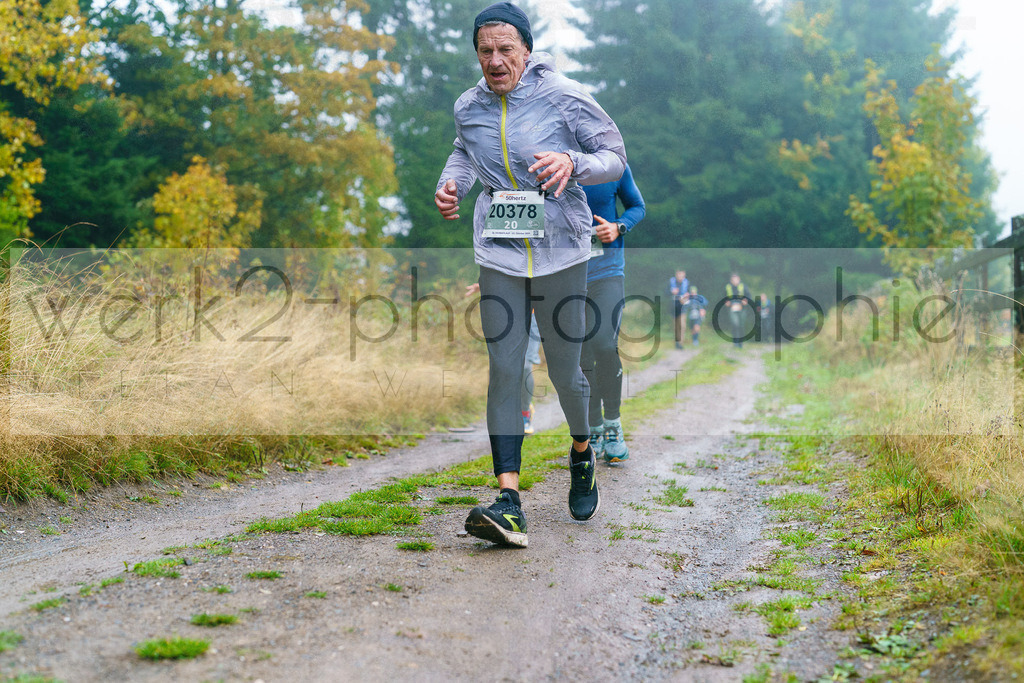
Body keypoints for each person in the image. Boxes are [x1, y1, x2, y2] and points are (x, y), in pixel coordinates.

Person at [434, 2, 626, 548]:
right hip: (498, 251)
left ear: (526, 51)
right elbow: (463, 154)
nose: (494, 61)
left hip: (563, 250)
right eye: (485, 51)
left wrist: (573, 163)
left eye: (505, 50)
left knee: (567, 372)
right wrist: (452, 185)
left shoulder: (563, 95)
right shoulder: (468, 105)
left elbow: (613, 154)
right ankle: (509, 500)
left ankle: (582, 451)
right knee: (504, 364)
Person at [580, 164, 645, 464]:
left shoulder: (614, 167)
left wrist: (618, 226)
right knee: (580, 355)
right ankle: (592, 428)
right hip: (566, 275)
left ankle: (613, 426)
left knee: (604, 344)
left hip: (607, 272)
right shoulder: (551, 167)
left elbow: (637, 207)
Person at [724, 273, 751, 348]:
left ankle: (741, 342)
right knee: (735, 324)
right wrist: (726, 302)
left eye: (736, 279)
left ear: (739, 279)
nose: (735, 281)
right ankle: (735, 342)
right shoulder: (728, 287)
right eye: (733, 280)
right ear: (731, 280)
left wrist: (746, 301)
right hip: (732, 308)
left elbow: (749, 296)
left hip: (741, 308)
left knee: (741, 325)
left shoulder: (743, 287)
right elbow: (724, 297)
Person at [668, 269, 690, 349]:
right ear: (676, 275)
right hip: (674, 307)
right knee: (676, 326)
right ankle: (677, 342)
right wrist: (671, 292)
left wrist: (687, 296)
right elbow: (665, 293)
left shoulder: (687, 283)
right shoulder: (671, 282)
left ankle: (680, 343)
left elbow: (690, 294)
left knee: (682, 325)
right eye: (679, 275)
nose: (680, 277)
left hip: (683, 307)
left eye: (682, 275)